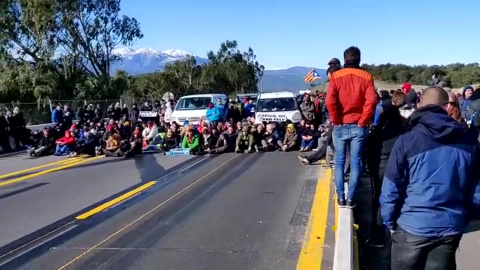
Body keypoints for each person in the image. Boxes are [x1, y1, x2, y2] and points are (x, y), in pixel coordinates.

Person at [380, 87, 480, 270]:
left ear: (419, 105)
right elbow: (476, 190)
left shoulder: (407, 140)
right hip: (450, 226)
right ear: (446, 107)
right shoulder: (469, 141)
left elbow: (391, 188)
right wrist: (463, 217)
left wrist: (390, 222)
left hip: (411, 225)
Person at [326, 46, 377, 207]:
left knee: (339, 161)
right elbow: (372, 101)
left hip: (340, 124)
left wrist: (336, 119)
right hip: (358, 125)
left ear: (345, 59)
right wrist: (363, 120)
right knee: (355, 162)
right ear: (359, 59)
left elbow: (330, 101)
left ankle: (340, 197)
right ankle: (351, 199)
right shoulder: (366, 77)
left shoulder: (336, 76)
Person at [365, 91, 407, 247]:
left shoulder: (379, 131)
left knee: (378, 201)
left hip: (380, 167)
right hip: (397, 169)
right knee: (397, 199)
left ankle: (377, 236)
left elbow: (370, 150)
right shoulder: (404, 132)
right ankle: (392, 231)